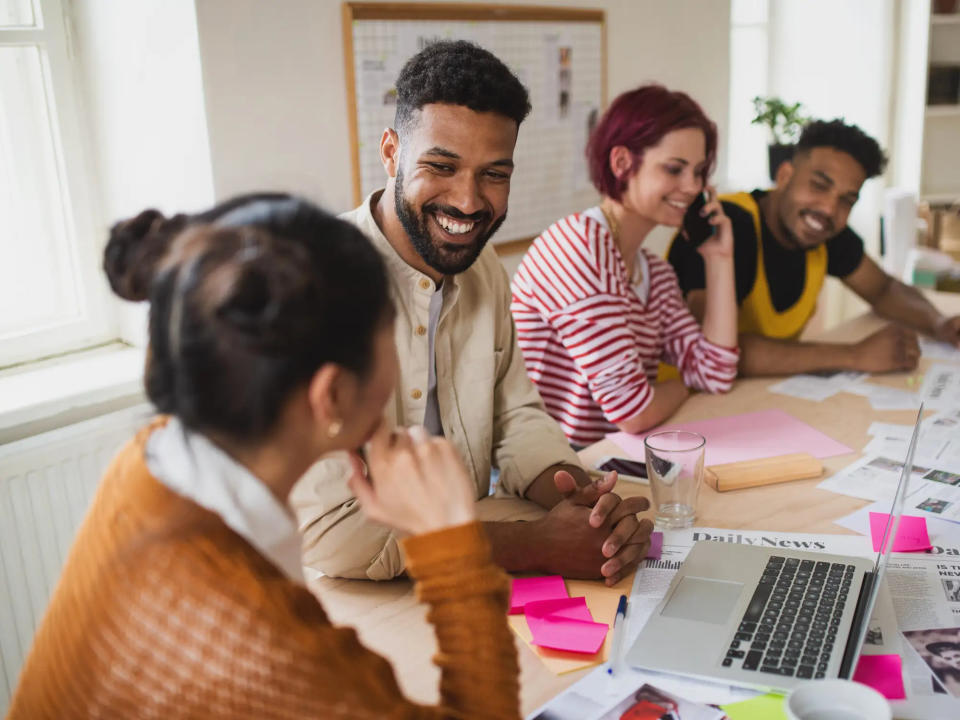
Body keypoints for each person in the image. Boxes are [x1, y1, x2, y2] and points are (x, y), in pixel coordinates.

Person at [8, 195, 522, 719]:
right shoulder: (259, 638)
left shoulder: (153, 458)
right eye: (389, 332)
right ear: (332, 395)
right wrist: (452, 551)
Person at [291, 40, 653, 586]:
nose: (468, 201)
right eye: (441, 166)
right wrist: (534, 544)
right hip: (340, 603)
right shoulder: (306, 287)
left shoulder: (482, 271)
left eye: (494, 174)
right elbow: (334, 534)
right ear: (391, 152)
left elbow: (516, 416)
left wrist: (576, 498)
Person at [510, 85, 739, 446]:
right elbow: (633, 413)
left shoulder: (653, 273)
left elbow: (716, 373)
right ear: (621, 164)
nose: (693, 187)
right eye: (674, 169)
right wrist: (683, 384)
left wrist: (719, 258)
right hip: (542, 472)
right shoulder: (579, 247)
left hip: (607, 464)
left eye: (698, 172)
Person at [668, 118, 960, 377]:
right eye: (819, 185)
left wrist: (939, 323)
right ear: (784, 176)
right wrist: (853, 355)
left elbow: (882, 289)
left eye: (847, 199)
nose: (830, 208)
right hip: (678, 412)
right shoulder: (728, 226)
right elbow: (716, 348)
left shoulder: (826, 233)